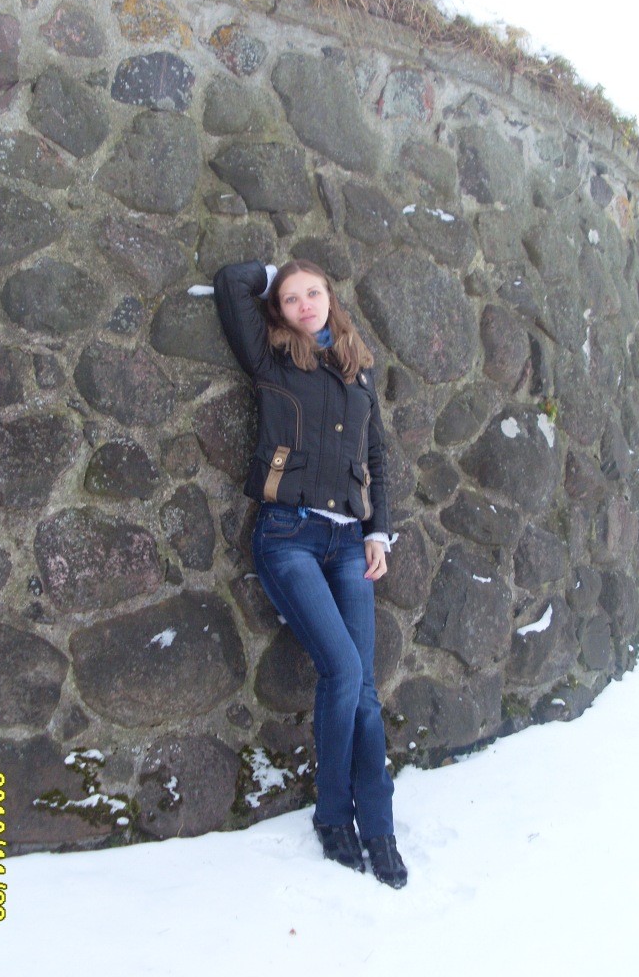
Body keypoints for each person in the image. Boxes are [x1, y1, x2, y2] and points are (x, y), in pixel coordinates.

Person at [213, 258, 407, 889]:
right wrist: (274, 272)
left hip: (350, 540)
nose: (304, 304)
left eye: (313, 292)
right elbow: (231, 283)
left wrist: (378, 530)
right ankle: (332, 815)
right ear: (279, 308)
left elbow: (376, 454)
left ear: (330, 297)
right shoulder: (271, 358)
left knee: (365, 690)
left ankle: (379, 828)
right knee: (343, 670)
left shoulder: (357, 367)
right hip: (288, 536)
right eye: (291, 297)